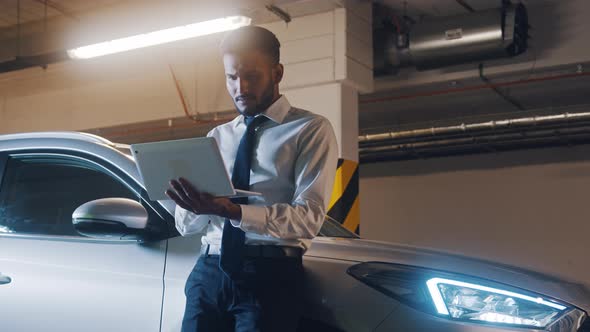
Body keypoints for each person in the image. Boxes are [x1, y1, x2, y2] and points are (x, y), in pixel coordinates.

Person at [165, 25, 338, 332]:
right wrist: (191, 204)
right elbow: (185, 225)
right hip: (208, 271)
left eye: (252, 76)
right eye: (231, 77)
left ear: (278, 72)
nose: (240, 87)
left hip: (271, 275)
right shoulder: (216, 137)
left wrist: (232, 211)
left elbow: (309, 218)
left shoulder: (310, 130)